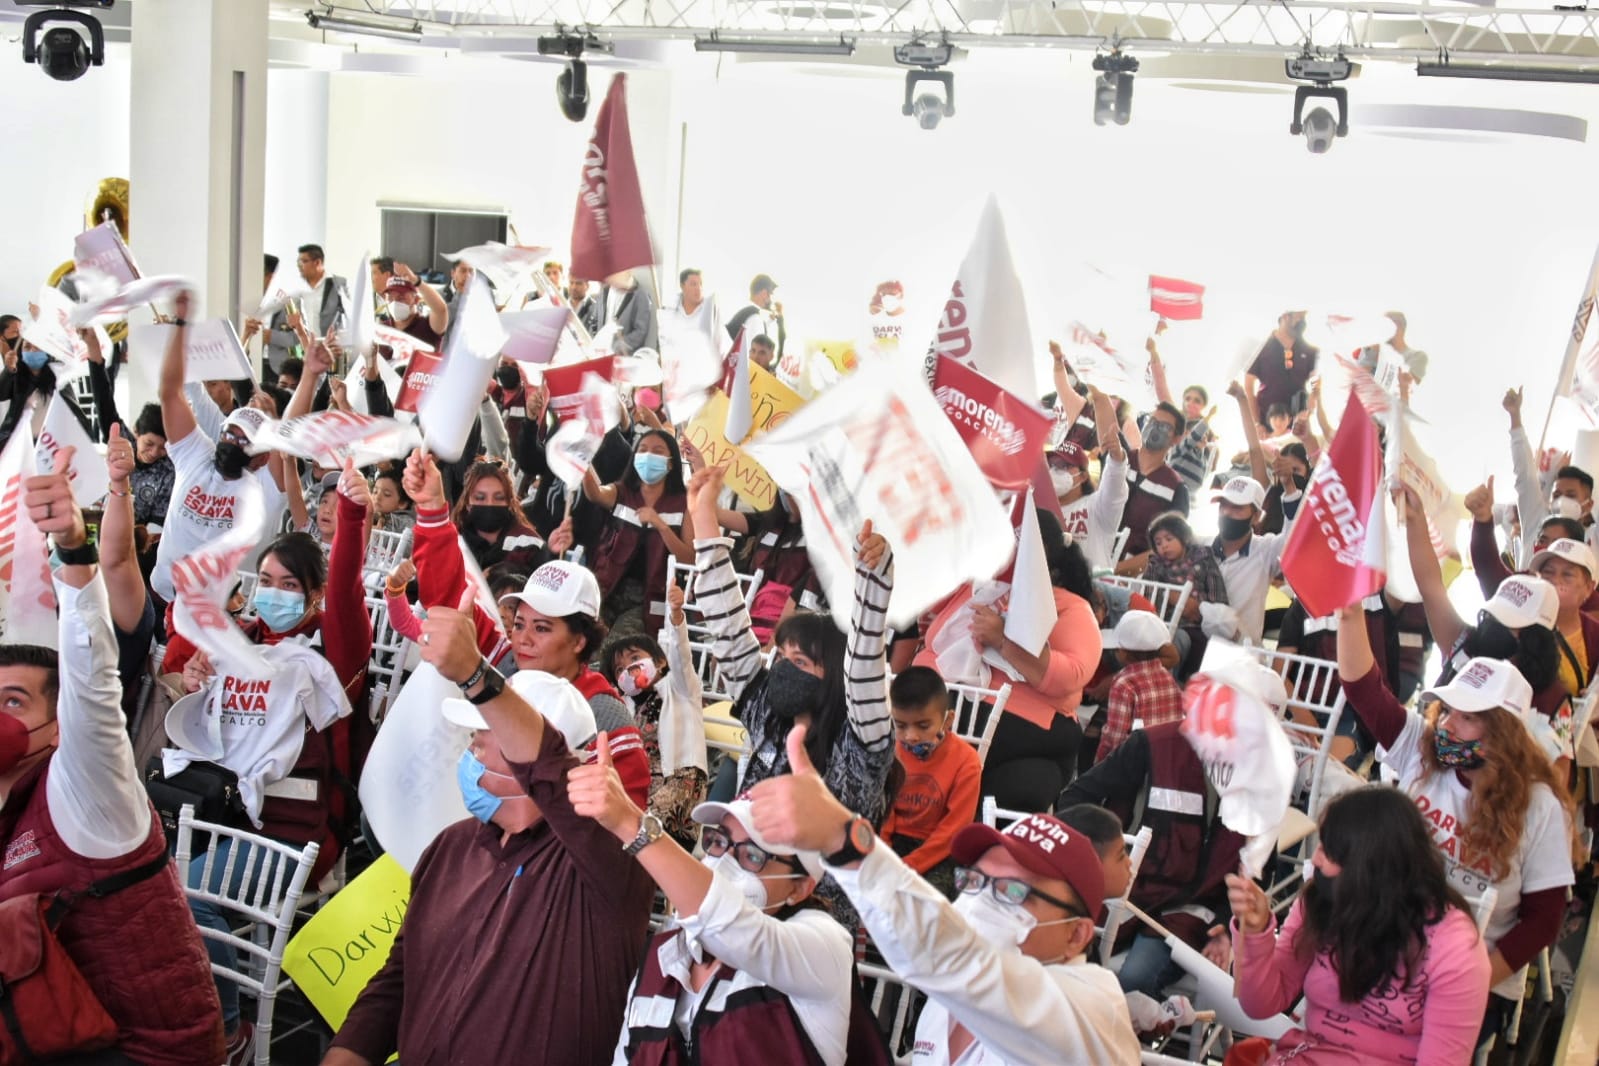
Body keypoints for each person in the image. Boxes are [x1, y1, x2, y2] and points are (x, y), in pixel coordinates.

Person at [324, 638, 654, 1064]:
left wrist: (476, 675)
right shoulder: (451, 847)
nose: (471, 747)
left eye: (484, 734)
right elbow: (401, 977)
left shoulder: (607, 867)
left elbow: (549, 766)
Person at [1, 445, 225, 1065]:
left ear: (57, 726)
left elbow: (91, 677)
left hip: (145, 1053)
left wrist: (74, 549)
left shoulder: (88, 782)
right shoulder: (14, 798)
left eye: (14, 701)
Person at [749, 732, 1143, 1063]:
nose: (981, 901)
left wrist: (844, 841)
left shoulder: (1092, 1010)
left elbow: (960, 961)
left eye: (1011, 891)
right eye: (975, 880)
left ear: (1076, 934)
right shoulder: (944, 1003)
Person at [1336, 604, 1579, 1028]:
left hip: (1476, 974)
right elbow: (1362, 688)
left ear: (1505, 732)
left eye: (1467, 718)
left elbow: (1543, 921)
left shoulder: (1541, 807)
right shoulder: (1423, 750)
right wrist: (1349, 616)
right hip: (1386, 946)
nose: (1446, 726)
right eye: (1447, 711)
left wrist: (1472, 982)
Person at [689, 465, 896, 932]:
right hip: (739, 890)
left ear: (832, 677)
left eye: (800, 661)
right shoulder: (766, 710)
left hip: (815, 919)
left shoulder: (859, 745)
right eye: (780, 656)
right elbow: (728, 626)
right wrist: (704, 517)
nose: (782, 668)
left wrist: (874, 585)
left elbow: (864, 665)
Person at [567, 750, 853, 1066]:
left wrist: (631, 824)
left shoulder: (825, 947)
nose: (725, 862)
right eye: (718, 842)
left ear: (800, 888)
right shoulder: (666, 955)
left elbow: (738, 931)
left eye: (753, 856)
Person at [1227, 786, 1492, 1064]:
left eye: (1328, 850)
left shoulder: (1454, 950)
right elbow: (1260, 1005)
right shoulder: (1321, 903)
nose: (1315, 859)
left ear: (1370, 868)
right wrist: (1255, 933)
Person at [917, 511, 1102, 813]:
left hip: (1019, 730)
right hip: (940, 706)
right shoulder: (978, 585)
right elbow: (930, 620)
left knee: (1019, 787)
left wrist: (1004, 642)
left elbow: (1073, 673)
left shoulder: (1069, 606)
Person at [151, 291, 287, 605]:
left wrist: (276, 424)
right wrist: (180, 328)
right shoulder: (197, 456)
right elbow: (172, 393)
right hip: (164, 598)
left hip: (221, 612)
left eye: (243, 440)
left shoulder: (264, 489)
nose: (232, 443)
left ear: (262, 458)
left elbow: (284, 461)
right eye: (230, 434)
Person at [597, 583, 709, 848]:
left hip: (680, 780)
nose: (629, 668)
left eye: (635, 657)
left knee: (636, 837)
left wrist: (677, 616)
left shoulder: (680, 687)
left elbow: (681, 656)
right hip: (641, 787)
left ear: (659, 662)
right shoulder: (623, 706)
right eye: (619, 668)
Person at [878, 666, 983, 898]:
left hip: (940, 849)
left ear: (947, 720)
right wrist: (884, 855)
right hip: (892, 842)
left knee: (925, 899)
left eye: (923, 726)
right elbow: (884, 810)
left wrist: (908, 866)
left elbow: (954, 828)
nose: (910, 736)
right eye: (900, 725)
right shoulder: (889, 750)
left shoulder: (967, 761)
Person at [582, 429, 696, 636]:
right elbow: (595, 493)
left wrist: (661, 525)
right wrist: (583, 460)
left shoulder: (684, 503)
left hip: (650, 599)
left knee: (619, 644)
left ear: (671, 463)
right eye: (642, 450)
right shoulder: (621, 491)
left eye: (657, 451)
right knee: (589, 637)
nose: (648, 455)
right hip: (607, 589)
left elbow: (689, 559)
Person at [1209, 472, 1300, 645]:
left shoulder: (1265, 550)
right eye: (1223, 506)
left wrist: (1289, 488)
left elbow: (1294, 537)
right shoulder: (1201, 548)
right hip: (1199, 645)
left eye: (1237, 508)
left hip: (1241, 652)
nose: (1227, 513)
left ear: (1256, 516)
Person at [1055, 385, 1128, 570]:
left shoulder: (1099, 507)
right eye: (1052, 464)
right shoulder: (1039, 507)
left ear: (1083, 476)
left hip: (1090, 586)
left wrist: (1116, 456)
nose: (1055, 470)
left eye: (1064, 465)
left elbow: (1114, 479)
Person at [1095, 610, 1183, 763]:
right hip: (1164, 761)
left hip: (1133, 764)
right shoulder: (1168, 678)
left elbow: (1115, 737)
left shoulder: (1123, 684)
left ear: (1123, 653)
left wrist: (1098, 764)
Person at [1117, 401, 1191, 560]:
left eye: (1165, 426)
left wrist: (1124, 569)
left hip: (1130, 568)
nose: (1155, 428)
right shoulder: (1120, 459)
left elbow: (1172, 547)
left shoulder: (1176, 489)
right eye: (1152, 421)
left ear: (1177, 439)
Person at [451, 458, 550, 573]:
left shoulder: (531, 545)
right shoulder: (452, 541)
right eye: (480, 498)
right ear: (467, 503)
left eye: (499, 498)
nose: (489, 503)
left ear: (509, 502)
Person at [1246, 310, 1318, 425]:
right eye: (1299, 317)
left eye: (1304, 318)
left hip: (1298, 425)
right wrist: (1257, 423)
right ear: (1285, 316)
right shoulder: (1261, 348)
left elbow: (1316, 380)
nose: (1302, 322)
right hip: (1268, 423)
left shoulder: (1309, 350)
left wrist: (1313, 396)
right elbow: (1249, 387)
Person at [382, 266, 447, 350]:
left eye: (401, 298)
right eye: (390, 297)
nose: (395, 302)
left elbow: (440, 310)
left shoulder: (428, 328)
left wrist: (417, 281)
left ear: (416, 299)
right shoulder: (382, 329)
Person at [726, 273, 783, 357]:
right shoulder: (755, 319)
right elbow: (752, 358)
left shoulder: (745, 311)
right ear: (764, 293)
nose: (771, 300)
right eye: (771, 294)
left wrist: (770, 321)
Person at [605, 271, 657, 356]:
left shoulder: (640, 294)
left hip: (623, 357)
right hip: (600, 352)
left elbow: (640, 332)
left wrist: (617, 346)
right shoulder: (605, 291)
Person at [372, 465, 416, 533]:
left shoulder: (405, 522)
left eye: (386, 494)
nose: (377, 497)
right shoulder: (370, 515)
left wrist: (375, 533)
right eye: (375, 492)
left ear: (402, 503)